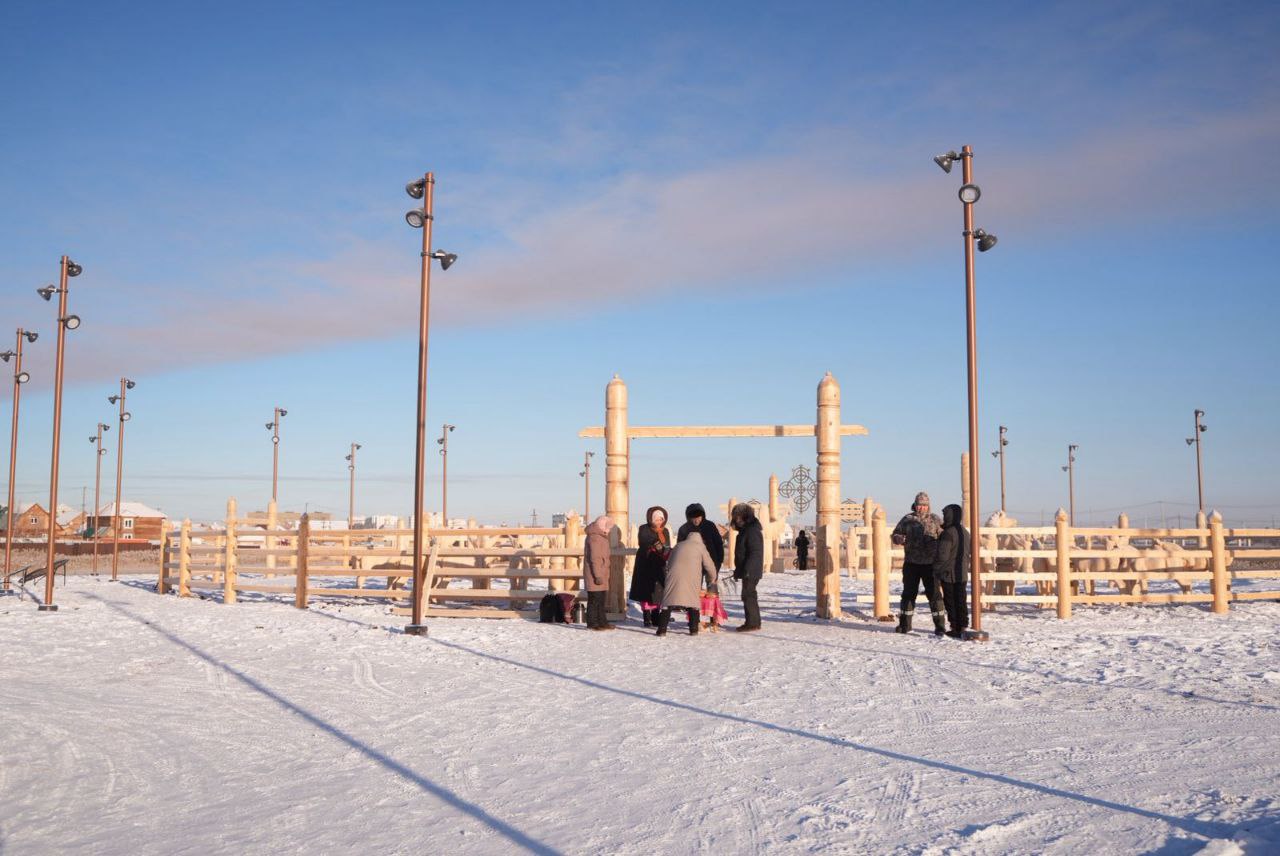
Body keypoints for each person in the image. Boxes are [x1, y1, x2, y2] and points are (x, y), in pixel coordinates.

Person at [891, 491, 945, 635]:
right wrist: (897, 538)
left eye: (924, 505)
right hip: (911, 564)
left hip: (930, 565)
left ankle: (940, 627)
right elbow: (896, 533)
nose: (921, 508)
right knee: (908, 594)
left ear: (928, 506)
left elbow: (944, 537)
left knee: (934, 595)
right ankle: (905, 625)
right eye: (919, 505)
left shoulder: (935, 520)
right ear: (915, 505)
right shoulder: (907, 519)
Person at [657, 530, 716, 636]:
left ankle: (662, 630)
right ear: (700, 539)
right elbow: (710, 566)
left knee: (668, 603)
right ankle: (693, 629)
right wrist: (712, 579)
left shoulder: (678, 545)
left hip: (673, 576)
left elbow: (669, 561)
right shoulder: (700, 547)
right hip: (692, 577)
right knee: (693, 603)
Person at [629, 505, 672, 627]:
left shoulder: (665, 531)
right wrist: (658, 546)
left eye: (661, 519)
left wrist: (666, 552)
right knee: (646, 591)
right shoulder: (644, 528)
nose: (659, 522)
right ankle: (646, 618)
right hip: (646, 563)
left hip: (660, 564)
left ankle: (656, 617)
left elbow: (667, 546)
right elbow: (644, 541)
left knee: (658, 591)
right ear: (651, 519)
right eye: (657, 519)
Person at [932, 503, 970, 638]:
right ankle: (963, 626)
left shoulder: (948, 533)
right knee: (961, 600)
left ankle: (955, 627)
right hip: (962, 573)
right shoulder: (965, 532)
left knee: (951, 601)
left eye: (945, 515)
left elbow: (943, 555)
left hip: (949, 574)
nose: (943, 517)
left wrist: (935, 570)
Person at [731, 502, 764, 631]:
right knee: (748, 595)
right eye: (735, 517)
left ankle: (753, 623)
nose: (736, 519)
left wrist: (748, 570)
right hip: (748, 569)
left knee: (748, 595)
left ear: (745, 516)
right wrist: (738, 570)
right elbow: (742, 554)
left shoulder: (751, 530)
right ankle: (753, 622)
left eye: (738, 516)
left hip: (751, 570)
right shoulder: (746, 530)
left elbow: (755, 552)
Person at [582, 515, 614, 630]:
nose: (609, 530)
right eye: (608, 527)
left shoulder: (600, 537)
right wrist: (598, 575)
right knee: (594, 600)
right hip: (595, 575)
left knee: (601, 600)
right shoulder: (595, 538)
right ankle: (592, 623)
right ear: (602, 526)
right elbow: (595, 558)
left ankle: (602, 622)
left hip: (601, 573)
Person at [677, 503, 724, 573]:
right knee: (695, 584)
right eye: (694, 518)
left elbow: (718, 543)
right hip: (693, 565)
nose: (696, 520)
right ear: (689, 517)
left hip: (712, 562)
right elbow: (680, 548)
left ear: (702, 516)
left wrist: (719, 561)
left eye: (698, 517)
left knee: (712, 583)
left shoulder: (710, 526)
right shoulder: (684, 529)